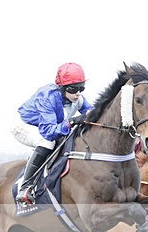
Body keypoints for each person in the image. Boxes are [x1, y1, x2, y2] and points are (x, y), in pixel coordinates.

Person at [12, 62, 93, 205]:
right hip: (25, 125)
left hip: (48, 125)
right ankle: (25, 187)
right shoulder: (47, 97)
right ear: (62, 87)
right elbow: (48, 132)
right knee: (48, 142)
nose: (78, 93)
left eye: (81, 88)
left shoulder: (76, 98)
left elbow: (93, 113)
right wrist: (71, 122)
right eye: (73, 89)